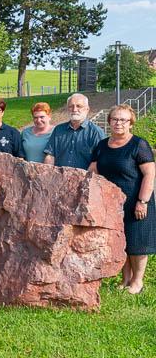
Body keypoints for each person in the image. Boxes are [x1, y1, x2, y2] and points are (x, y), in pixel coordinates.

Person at [89, 105, 155, 294]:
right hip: (112, 205)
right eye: (115, 119)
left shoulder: (138, 145)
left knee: (137, 243)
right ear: (109, 122)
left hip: (136, 202)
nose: (119, 123)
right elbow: (93, 170)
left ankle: (137, 282)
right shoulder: (102, 145)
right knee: (121, 242)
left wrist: (142, 201)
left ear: (130, 124)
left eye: (123, 120)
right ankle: (125, 280)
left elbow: (150, 174)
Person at [44, 93, 105, 169]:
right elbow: (50, 155)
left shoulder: (96, 132)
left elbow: (99, 161)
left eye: (79, 106)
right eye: (71, 106)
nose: (74, 109)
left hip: (84, 179)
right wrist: (48, 174)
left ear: (87, 109)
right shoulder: (58, 130)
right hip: (59, 178)